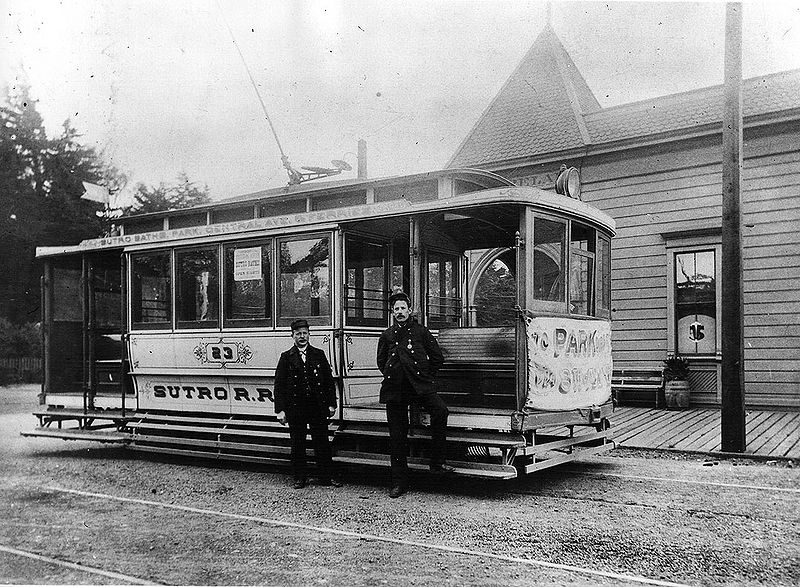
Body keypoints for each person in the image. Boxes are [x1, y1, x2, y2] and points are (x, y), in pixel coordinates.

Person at [376, 292, 455, 498]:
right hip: (396, 389)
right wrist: (392, 375)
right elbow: (380, 361)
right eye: (396, 309)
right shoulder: (387, 334)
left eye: (403, 308)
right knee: (397, 436)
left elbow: (437, 357)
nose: (400, 312)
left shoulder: (421, 331)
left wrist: (426, 377)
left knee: (441, 411)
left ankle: (437, 463)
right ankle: (399, 483)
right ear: (392, 312)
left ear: (409, 310)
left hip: (420, 386)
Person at [274, 319, 342, 489]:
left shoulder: (319, 354)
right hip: (295, 407)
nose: (302, 337)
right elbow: (279, 386)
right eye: (298, 334)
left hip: (317, 406)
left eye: (305, 333)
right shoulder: (286, 357)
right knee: (298, 443)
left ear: (309, 335)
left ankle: (326, 477)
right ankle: (299, 478)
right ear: (292, 336)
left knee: (322, 442)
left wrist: (331, 404)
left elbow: (328, 381)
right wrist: (280, 410)